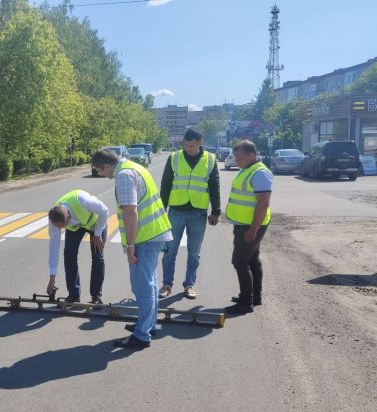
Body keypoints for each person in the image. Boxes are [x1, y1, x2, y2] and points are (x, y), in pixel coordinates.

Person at [91, 149, 172, 348]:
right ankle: (148, 324)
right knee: (150, 284)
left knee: (142, 287)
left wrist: (130, 244)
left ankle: (142, 335)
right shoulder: (135, 167)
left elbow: (130, 212)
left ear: (107, 166)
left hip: (144, 237)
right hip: (155, 233)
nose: (101, 174)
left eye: (100, 171)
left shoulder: (124, 175)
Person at [158, 128, 221, 300]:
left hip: (198, 213)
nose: (188, 148)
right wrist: (161, 211)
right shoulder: (174, 157)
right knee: (170, 251)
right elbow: (165, 185)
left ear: (200, 143)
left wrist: (216, 211)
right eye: (186, 145)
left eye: (192, 146)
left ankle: (189, 284)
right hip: (176, 211)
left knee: (194, 252)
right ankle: (167, 284)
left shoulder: (210, 159)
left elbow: (214, 186)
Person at [224, 140, 272, 314]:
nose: (236, 159)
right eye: (235, 156)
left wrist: (253, 229)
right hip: (244, 224)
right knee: (252, 260)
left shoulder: (259, 173)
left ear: (251, 155)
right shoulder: (248, 170)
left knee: (240, 261)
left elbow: (263, 203)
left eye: (239, 157)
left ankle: (246, 302)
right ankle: (254, 296)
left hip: (251, 226)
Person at [47, 190, 109, 305]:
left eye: (62, 226)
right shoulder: (54, 218)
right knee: (69, 256)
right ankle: (74, 295)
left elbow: (104, 211)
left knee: (97, 256)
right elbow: (53, 248)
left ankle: (96, 296)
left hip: (96, 223)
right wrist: (52, 279)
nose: (59, 229)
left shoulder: (82, 200)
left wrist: (98, 233)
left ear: (68, 218)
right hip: (76, 229)